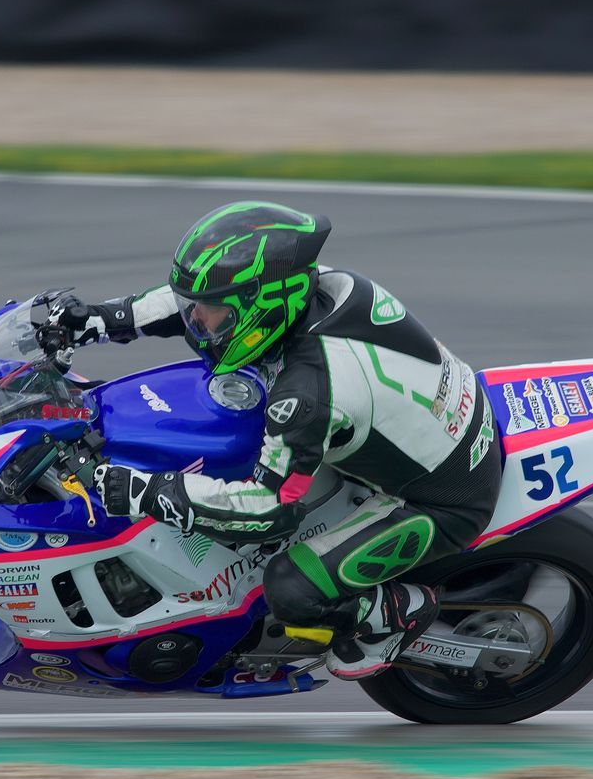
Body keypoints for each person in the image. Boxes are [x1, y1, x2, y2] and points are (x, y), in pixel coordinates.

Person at [46, 200, 501, 680]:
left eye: (210, 311)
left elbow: (268, 511)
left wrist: (144, 491)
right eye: (196, 307)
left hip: (441, 499)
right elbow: (194, 301)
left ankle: (391, 615)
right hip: (428, 422)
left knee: (290, 587)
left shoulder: (306, 395)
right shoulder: (316, 286)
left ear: (261, 308)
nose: (196, 319)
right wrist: (99, 319)